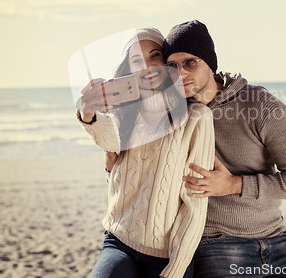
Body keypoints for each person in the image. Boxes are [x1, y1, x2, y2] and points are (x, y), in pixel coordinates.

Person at [161, 20, 286, 278]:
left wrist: (233, 184)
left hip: (277, 238)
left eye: (190, 62)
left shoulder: (260, 105)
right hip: (215, 242)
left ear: (210, 63)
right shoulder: (170, 115)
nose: (181, 73)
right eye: (172, 66)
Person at [76, 28, 215, 278]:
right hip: (119, 241)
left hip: (167, 255)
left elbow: (195, 204)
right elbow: (105, 135)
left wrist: (175, 268)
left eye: (155, 56)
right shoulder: (125, 112)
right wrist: (88, 111)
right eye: (137, 60)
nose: (148, 66)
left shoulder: (197, 118)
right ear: (130, 69)